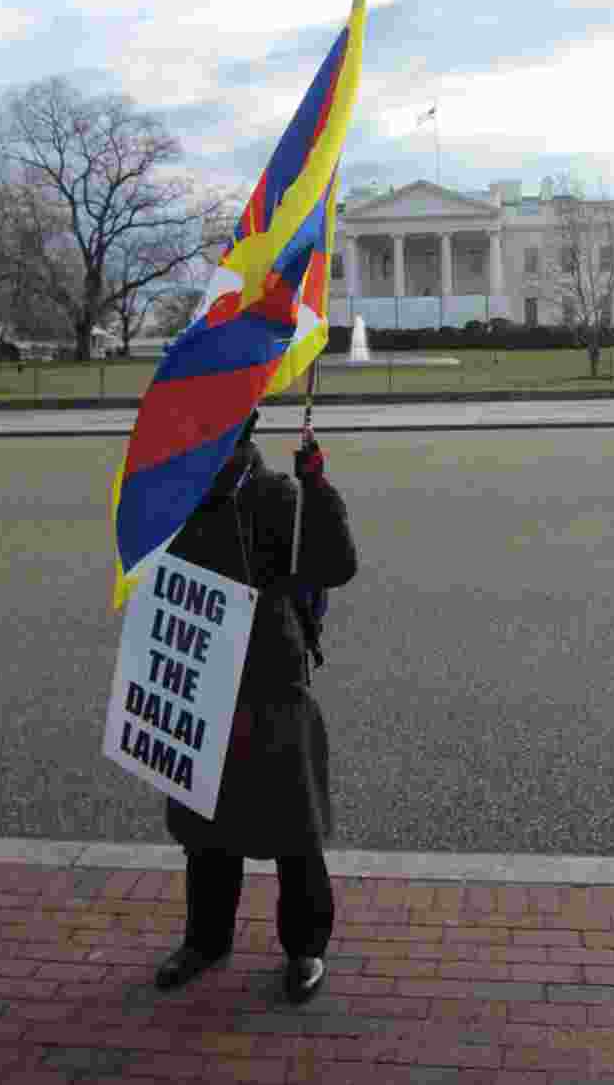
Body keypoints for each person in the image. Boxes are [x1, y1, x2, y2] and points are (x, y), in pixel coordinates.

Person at [153, 406, 357, 1003]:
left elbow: (337, 565)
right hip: (199, 675)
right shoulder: (175, 494)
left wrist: (318, 487)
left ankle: (305, 947)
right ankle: (206, 940)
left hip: (270, 673)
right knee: (205, 827)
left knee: (294, 825)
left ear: (239, 435)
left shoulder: (277, 495)